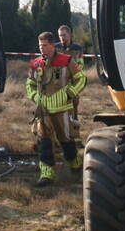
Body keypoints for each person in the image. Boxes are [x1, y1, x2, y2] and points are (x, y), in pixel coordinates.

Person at [26, 31, 87, 187]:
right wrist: (34, 96)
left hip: (63, 109)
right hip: (43, 111)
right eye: (40, 46)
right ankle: (47, 175)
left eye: (45, 45)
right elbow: (30, 84)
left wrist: (71, 93)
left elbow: (82, 78)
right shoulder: (35, 63)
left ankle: (75, 166)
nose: (42, 48)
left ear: (52, 45)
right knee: (44, 143)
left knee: (67, 142)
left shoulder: (66, 61)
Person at [55, 24, 85, 144]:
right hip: (58, 85)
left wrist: (73, 71)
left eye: (64, 35)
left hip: (72, 84)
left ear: (70, 35)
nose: (62, 38)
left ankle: (75, 138)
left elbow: (81, 63)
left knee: (73, 111)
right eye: (60, 35)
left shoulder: (77, 48)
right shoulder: (55, 48)